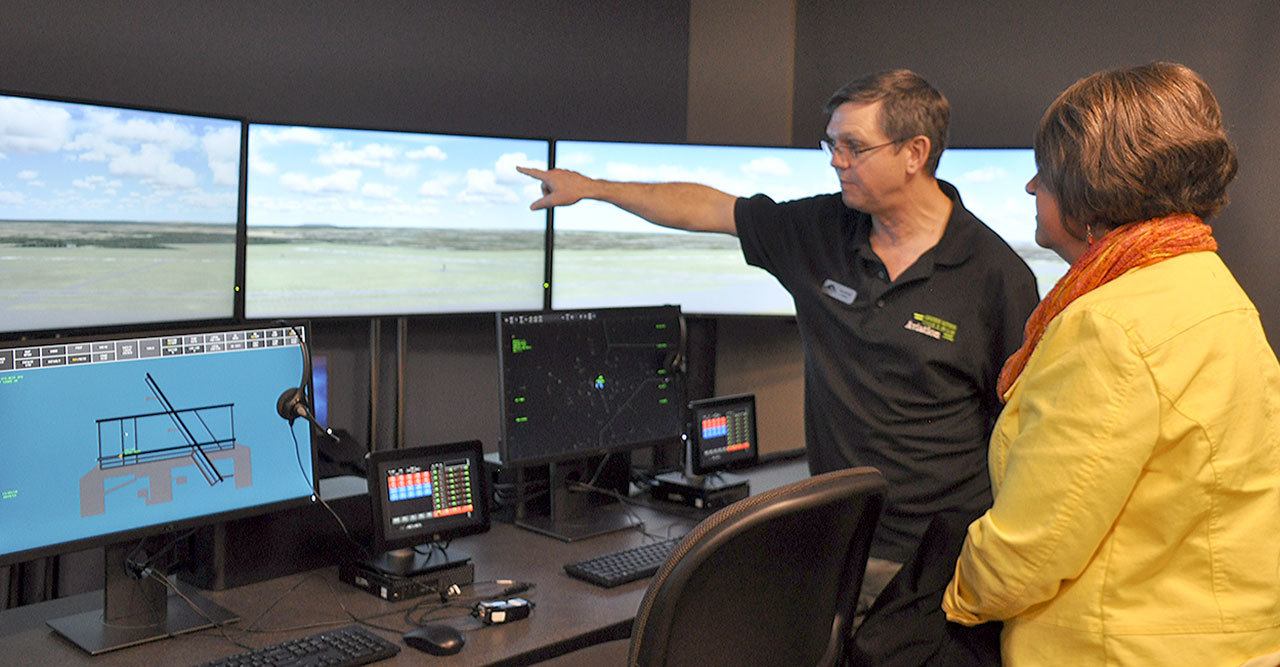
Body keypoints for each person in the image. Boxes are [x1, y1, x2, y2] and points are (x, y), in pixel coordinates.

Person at [519, 70, 1039, 609]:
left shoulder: (995, 277)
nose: (837, 159)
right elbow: (708, 208)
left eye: (853, 146)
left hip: (941, 561)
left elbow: (1024, 432)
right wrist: (594, 189)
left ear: (915, 153)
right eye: (831, 144)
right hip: (839, 543)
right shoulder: (817, 230)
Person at [942, 62, 1280, 664]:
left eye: (1043, 173)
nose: (1029, 189)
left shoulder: (1110, 325)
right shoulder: (1206, 284)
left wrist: (951, 598)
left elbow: (1030, 553)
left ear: (1090, 189)